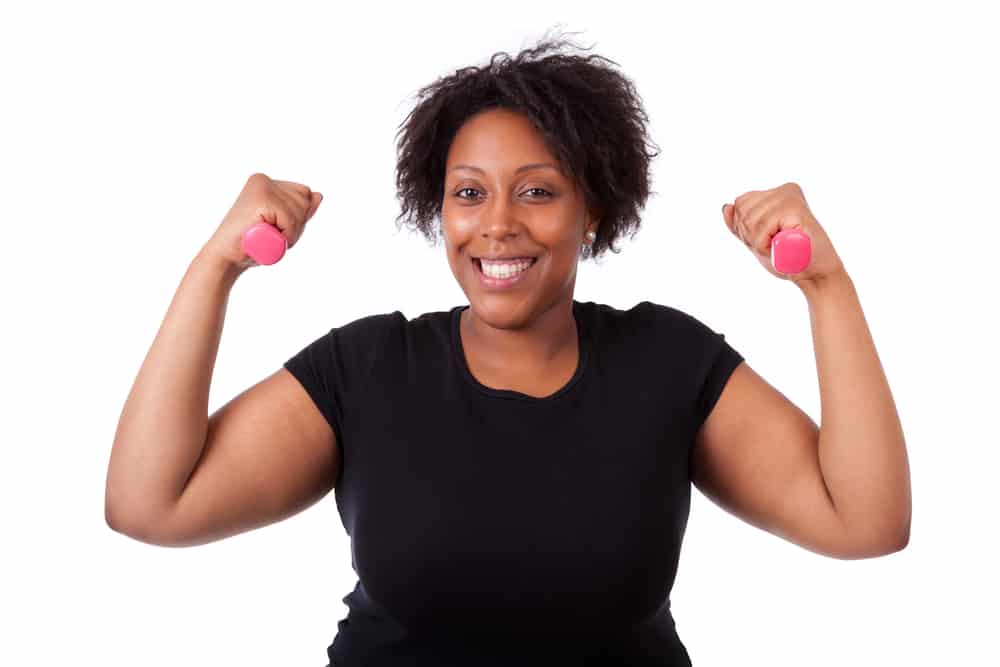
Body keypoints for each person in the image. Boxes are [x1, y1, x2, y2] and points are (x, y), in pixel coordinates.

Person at [105, 30, 911, 667]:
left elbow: (866, 520)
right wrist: (217, 266)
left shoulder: (666, 360)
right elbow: (150, 503)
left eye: (537, 190)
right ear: (439, 210)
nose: (497, 224)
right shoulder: (369, 368)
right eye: (468, 193)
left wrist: (826, 286)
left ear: (591, 208)